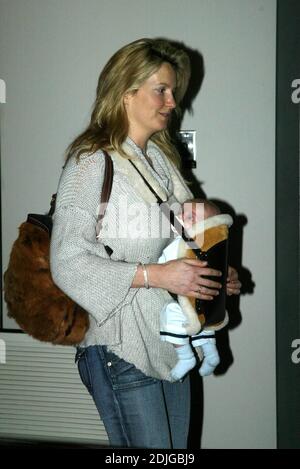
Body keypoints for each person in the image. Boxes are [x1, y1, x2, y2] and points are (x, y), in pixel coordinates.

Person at [50, 38, 241, 449]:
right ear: (125, 92)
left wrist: (212, 274)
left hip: (169, 345)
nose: (172, 101)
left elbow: (187, 237)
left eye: (174, 91)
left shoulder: (159, 162)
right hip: (121, 346)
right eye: (161, 89)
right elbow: (66, 261)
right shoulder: (90, 163)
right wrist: (158, 275)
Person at [159, 198, 232, 381]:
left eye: (190, 217)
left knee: (172, 313)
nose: (181, 217)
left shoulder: (185, 245)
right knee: (205, 326)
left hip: (186, 298)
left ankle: (186, 357)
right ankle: (211, 353)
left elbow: (163, 267)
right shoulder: (198, 247)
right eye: (181, 213)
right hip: (204, 301)